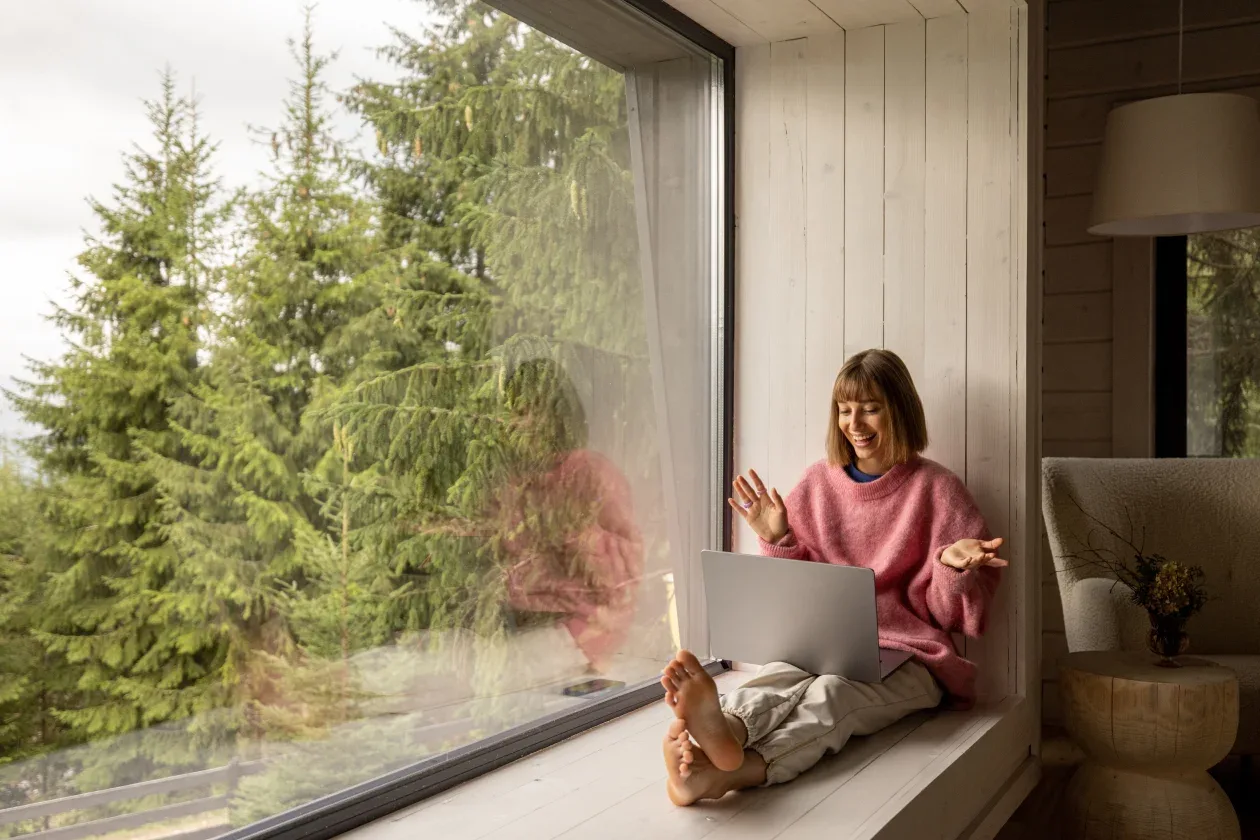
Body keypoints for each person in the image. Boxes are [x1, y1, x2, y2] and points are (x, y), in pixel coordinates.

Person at [659, 348, 1007, 805]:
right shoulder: (817, 485)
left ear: (900, 409)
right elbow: (796, 602)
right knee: (779, 675)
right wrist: (779, 540)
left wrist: (950, 568)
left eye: (870, 408)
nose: (855, 424)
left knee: (833, 698)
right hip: (819, 648)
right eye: (844, 410)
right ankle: (725, 729)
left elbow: (952, 618)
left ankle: (732, 771)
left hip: (911, 657)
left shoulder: (938, 490)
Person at [495, 356, 644, 673]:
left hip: (578, 634)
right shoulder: (513, 481)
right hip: (517, 624)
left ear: (553, 415)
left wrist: (578, 535)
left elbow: (626, 566)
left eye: (525, 411)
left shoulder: (591, 473)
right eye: (510, 412)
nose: (514, 423)